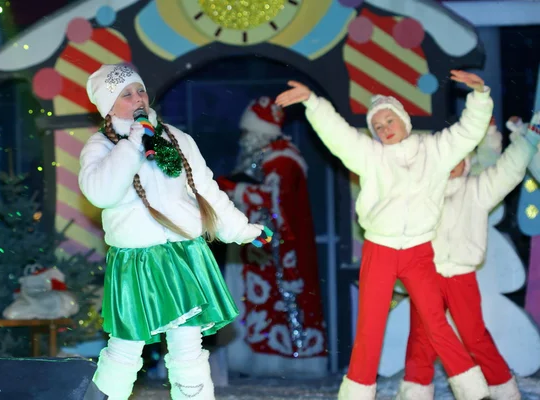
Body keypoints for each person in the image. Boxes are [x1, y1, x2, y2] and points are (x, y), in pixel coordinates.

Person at [275, 70, 493, 400]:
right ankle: (359, 392)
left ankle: (472, 389)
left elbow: (468, 132)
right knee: (370, 326)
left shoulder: (434, 151)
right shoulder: (371, 156)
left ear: (404, 121)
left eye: (389, 121)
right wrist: (313, 103)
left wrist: (478, 96)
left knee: (435, 322)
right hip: (380, 249)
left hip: (419, 250)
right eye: (377, 126)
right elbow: (340, 136)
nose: (384, 129)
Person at [79, 64, 269, 400]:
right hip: (138, 261)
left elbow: (207, 191)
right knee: (125, 348)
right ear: (108, 106)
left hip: (184, 254)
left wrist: (242, 230)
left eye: (139, 90)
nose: (138, 98)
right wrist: (134, 143)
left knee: (188, 349)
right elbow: (101, 193)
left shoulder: (177, 138)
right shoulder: (100, 146)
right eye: (126, 94)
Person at [396, 112, 540, 400]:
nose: (452, 166)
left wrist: (528, 140)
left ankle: (502, 388)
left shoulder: (477, 189)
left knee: (474, 335)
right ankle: (415, 392)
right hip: (426, 275)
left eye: (458, 159)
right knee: (422, 338)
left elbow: (508, 170)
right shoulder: (423, 194)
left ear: (467, 161)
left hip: (461, 275)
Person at [216, 96, 327, 377]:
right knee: (255, 303)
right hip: (257, 246)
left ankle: (284, 360)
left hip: (277, 251)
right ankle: (254, 357)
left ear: (260, 130)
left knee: (279, 302)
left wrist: (235, 190)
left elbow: (277, 201)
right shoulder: (264, 156)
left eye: (248, 131)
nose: (244, 137)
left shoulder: (283, 159)